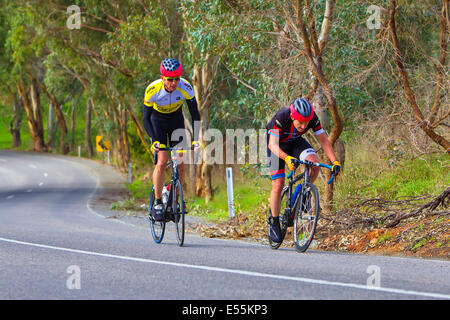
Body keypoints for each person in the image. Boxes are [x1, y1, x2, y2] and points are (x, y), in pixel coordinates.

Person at [265, 97, 341, 242]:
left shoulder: (312, 118)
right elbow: (272, 145)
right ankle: (274, 222)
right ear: (292, 116)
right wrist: (287, 158)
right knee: (278, 183)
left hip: (294, 142)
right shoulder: (280, 118)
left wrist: (335, 161)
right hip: (276, 147)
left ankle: (302, 191)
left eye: (306, 123)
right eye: (300, 122)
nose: (304, 126)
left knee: (314, 164)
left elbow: (324, 141)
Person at [143, 58, 200, 221]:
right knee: (161, 161)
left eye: (176, 78)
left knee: (180, 164)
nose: (174, 83)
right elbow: (145, 118)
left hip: (176, 122)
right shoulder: (152, 89)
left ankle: (175, 199)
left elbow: (195, 114)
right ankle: (158, 201)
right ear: (162, 78)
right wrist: (154, 140)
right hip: (157, 123)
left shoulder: (185, 87)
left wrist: (195, 140)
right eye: (170, 79)